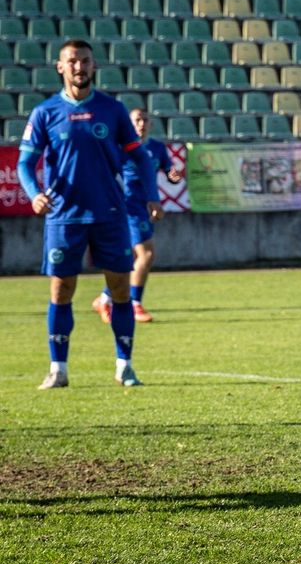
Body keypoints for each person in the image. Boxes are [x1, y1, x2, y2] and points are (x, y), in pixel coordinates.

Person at [17, 40, 162, 390]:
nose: (79, 67)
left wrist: (152, 196)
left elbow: (140, 156)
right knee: (61, 289)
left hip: (110, 214)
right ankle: (58, 369)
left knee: (119, 290)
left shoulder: (112, 110)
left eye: (85, 61)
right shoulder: (45, 112)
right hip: (63, 217)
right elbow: (24, 163)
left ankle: (124, 366)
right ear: (60, 67)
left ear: (94, 66)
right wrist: (34, 195)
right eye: (72, 61)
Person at [91, 108, 181, 324]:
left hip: (145, 208)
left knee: (130, 256)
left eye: (145, 120)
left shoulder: (157, 148)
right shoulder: (120, 147)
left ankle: (104, 298)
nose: (142, 124)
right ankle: (134, 304)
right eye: (137, 120)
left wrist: (174, 176)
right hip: (126, 207)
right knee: (146, 254)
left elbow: (170, 171)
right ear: (129, 124)